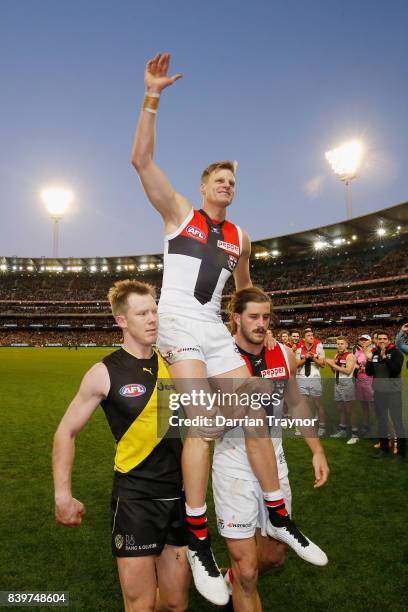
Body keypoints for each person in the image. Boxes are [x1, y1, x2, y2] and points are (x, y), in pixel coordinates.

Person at [131, 52, 325, 604]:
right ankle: (197, 539)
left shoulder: (239, 235)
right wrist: (152, 95)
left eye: (233, 181)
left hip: (216, 329)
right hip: (179, 322)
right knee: (203, 421)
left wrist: (258, 322)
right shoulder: (179, 215)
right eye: (220, 179)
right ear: (202, 185)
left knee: (252, 411)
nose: (227, 185)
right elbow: (141, 161)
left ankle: (279, 514)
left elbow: (243, 286)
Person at [52, 280, 191, 612]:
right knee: (140, 604)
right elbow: (65, 432)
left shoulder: (175, 364)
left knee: (175, 603)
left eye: (154, 310)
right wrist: (62, 494)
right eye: (142, 312)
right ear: (122, 321)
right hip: (134, 500)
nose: (152, 318)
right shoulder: (104, 372)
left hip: (178, 496)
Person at [213, 288, 329, 611]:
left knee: (275, 556)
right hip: (234, 465)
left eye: (266, 317)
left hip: (274, 461)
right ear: (236, 318)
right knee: (248, 570)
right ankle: (240, 575)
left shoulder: (283, 354)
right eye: (253, 317)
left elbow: (296, 403)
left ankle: (232, 578)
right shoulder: (220, 357)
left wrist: (316, 450)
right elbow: (211, 423)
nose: (262, 324)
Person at [365, 331, 405, 462]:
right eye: (380, 339)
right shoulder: (374, 353)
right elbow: (369, 372)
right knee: (381, 421)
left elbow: (395, 371)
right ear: (376, 341)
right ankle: (383, 449)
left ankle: (400, 453)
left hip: (393, 393)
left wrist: (385, 357)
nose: (382, 341)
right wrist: (369, 360)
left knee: (397, 422)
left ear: (389, 340)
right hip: (379, 393)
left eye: (385, 339)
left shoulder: (396, 353)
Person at [326, 337, 358, 444]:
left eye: (342, 343)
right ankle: (343, 430)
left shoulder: (350, 356)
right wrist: (331, 366)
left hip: (347, 384)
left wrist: (333, 364)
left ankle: (355, 434)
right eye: (338, 343)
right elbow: (334, 371)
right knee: (340, 408)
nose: (339, 345)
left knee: (350, 410)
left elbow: (348, 371)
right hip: (337, 383)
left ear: (346, 344)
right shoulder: (337, 355)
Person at [295, 328, 326, 436]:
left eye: (312, 335)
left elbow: (323, 364)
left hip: (315, 378)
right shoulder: (299, 349)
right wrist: (305, 359)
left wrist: (313, 358)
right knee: (303, 404)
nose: (311, 337)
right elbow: (296, 365)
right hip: (301, 378)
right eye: (308, 335)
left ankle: (322, 427)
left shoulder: (319, 348)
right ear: (303, 338)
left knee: (318, 404)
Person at [353, 334, 374, 437]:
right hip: (360, 381)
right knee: (364, 405)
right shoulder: (358, 352)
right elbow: (353, 363)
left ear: (370, 341)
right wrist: (358, 367)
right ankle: (366, 426)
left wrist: (367, 368)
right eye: (361, 340)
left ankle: (378, 427)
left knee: (374, 405)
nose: (363, 341)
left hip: (371, 381)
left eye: (365, 340)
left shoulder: (374, 351)